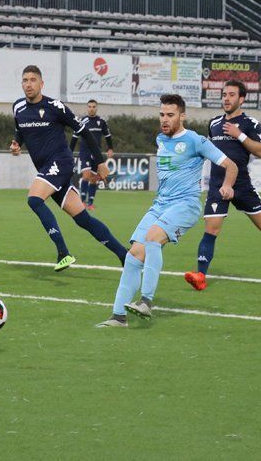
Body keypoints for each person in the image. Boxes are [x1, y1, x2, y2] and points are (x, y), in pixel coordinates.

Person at [97, 94, 237, 327]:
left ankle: (146, 302)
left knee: (152, 238)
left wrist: (227, 185)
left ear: (182, 116)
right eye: (162, 114)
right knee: (133, 257)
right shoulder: (161, 139)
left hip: (186, 205)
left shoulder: (195, 140)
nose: (164, 119)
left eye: (170, 115)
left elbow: (230, 165)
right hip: (160, 204)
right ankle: (118, 317)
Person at [11, 65, 128, 272]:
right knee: (83, 219)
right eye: (25, 80)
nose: (28, 84)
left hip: (60, 162)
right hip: (49, 168)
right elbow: (20, 129)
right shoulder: (18, 108)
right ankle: (124, 255)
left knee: (34, 199)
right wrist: (16, 143)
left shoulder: (56, 107)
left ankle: (63, 252)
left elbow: (85, 132)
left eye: (32, 80)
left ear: (41, 83)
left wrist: (100, 162)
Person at [183, 80, 261, 291]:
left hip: (242, 185)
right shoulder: (214, 123)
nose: (226, 98)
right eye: (224, 94)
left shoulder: (250, 123)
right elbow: (207, 150)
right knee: (211, 228)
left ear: (241, 99)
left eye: (231, 94)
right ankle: (200, 275)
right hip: (217, 184)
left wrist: (239, 135)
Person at [69, 99, 114, 210]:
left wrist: (110, 148)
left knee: (94, 179)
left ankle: (90, 203)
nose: (91, 108)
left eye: (93, 106)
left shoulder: (101, 121)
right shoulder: (81, 121)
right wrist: (69, 152)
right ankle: (82, 201)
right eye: (89, 106)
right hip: (85, 152)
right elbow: (75, 137)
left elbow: (108, 136)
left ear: (96, 108)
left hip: (96, 153)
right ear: (87, 108)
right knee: (86, 175)